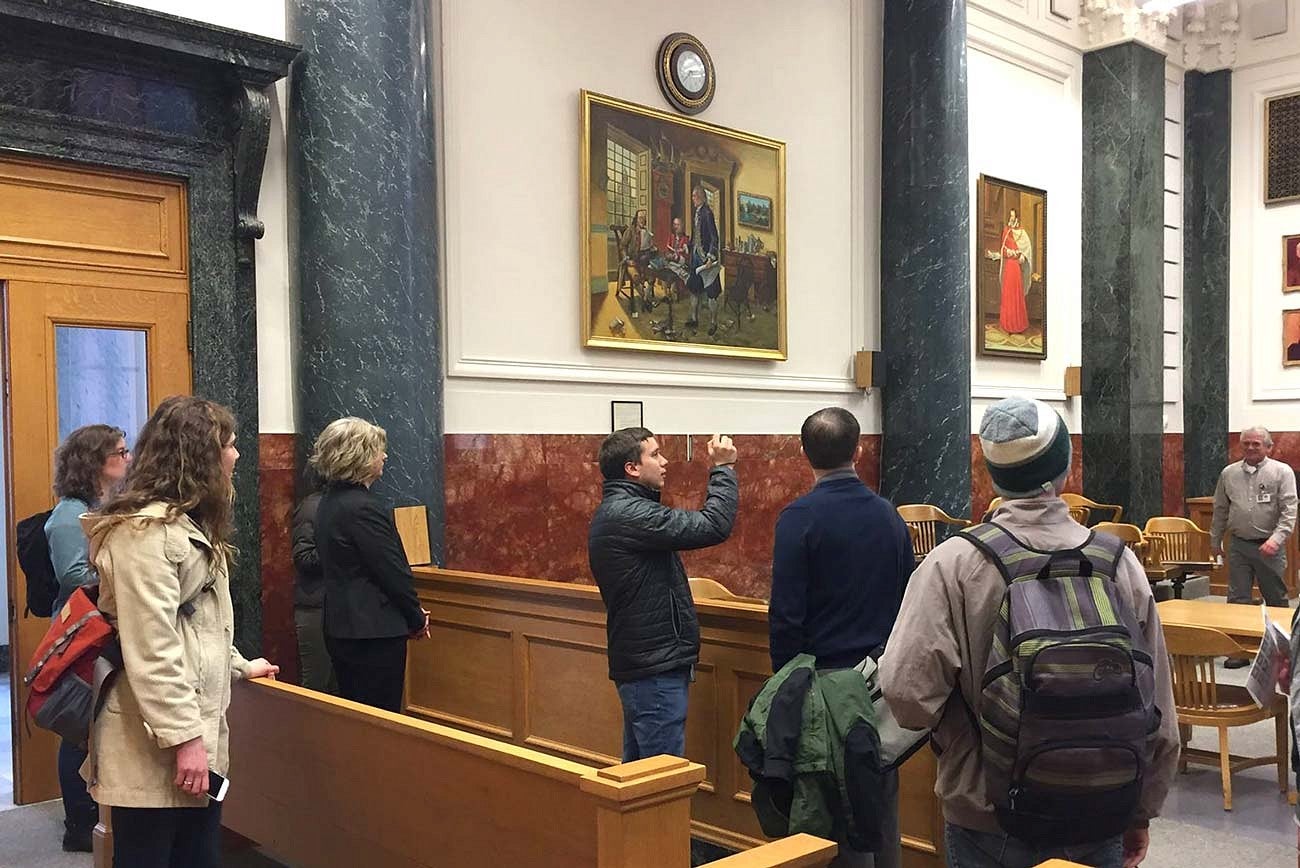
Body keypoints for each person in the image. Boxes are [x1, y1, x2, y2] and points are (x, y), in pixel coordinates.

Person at [880, 398, 1179, 868]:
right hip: (1102, 807)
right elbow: (1158, 703)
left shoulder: (953, 564)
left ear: (992, 476)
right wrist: (1142, 810)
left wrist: (960, 730)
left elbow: (906, 694)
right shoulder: (1119, 562)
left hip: (987, 813)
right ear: (1065, 468)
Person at [83, 396, 279, 868]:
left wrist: (239, 665)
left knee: (196, 855)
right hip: (154, 737)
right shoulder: (142, 534)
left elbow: (200, 625)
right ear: (200, 456)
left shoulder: (188, 525)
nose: (236, 456)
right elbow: (151, 646)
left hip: (185, 733)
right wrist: (186, 739)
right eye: (229, 446)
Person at [769, 407, 913, 868]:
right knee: (879, 789)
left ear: (804, 452)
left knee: (829, 800)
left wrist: (785, 686)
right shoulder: (889, 515)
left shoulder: (799, 518)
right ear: (858, 449)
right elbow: (906, 596)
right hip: (879, 680)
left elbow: (787, 615)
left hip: (823, 686)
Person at [588, 428, 738, 762]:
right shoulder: (629, 514)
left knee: (643, 779)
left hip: (647, 663)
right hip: (652, 669)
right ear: (632, 469)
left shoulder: (623, 510)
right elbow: (714, 525)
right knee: (660, 780)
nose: (664, 461)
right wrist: (723, 469)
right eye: (654, 455)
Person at [45, 423, 131, 852]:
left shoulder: (100, 504)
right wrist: (123, 569)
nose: (128, 457)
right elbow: (73, 575)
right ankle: (78, 826)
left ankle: (92, 817)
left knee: (94, 725)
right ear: (96, 461)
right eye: (120, 451)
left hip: (99, 627)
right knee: (78, 725)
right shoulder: (68, 514)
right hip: (81, 633)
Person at [311, 417, 430, 712]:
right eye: (378, 450)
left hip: (343, 626)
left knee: (357, 718)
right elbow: (392, 571)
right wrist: (416, 617)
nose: (385, 457)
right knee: (380, 717)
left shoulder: (329, 502)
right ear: (360, 456)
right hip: (373, 633)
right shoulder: (363, 508)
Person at [1209, 427, 1297, 645]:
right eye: (1246, 443)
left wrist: (1275, 540)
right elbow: (1220, 509)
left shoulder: (1282, 472)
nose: (1250, 447)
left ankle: (1281, 648)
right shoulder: (1228, 473)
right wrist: (1215, 541)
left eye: (1256, 444)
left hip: (1269, 547)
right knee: (1238, 598)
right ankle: (1238, 646)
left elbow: (1289, 511)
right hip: (1239, 546)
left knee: (1276, 598)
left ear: (1268, 447)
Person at [291, 469, 336, 693]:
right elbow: (304, 558)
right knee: (317, 685)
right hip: (315, 608)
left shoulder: (334, 505)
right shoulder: (312, 507)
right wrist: (344, 548)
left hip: (334, 607)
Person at [987, 209, 1032, 334]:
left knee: (1017, 295)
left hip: (1016, 268)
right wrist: (1007, 253)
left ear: (1017, 218)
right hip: (1009, 267)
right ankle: (1008, 325)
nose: (1011, 218)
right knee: (1008, 295)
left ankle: (1019, 325)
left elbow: (1026, 251)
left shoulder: (1022, 233)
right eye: (1010, 216)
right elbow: (1003, 250)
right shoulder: (1006, 232)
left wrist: (1019, 254)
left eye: (1013, 216)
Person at [686, 185, 723, 335]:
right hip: (696, 256)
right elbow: (696, 235)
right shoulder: (698, 212)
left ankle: (713, 322)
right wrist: (688, 247)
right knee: (694, 288)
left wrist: (710, 257)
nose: (692, 199)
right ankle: (694, 319)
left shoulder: (707, 213)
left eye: (694, 196)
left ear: (700, 196)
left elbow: (714, 237)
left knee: (711, 293)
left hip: (706, 259)